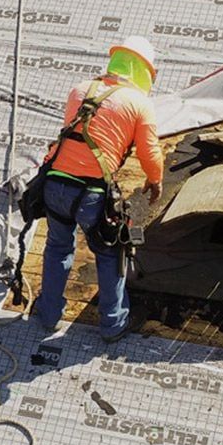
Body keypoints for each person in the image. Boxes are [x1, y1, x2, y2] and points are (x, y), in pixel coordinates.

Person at [31, 36, 165, 344]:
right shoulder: (138, 104)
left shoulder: (80, 89)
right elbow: (150, 154)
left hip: (55, 186)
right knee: (109, 253)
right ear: (145, 72)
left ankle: (49, 314)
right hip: (92, 194)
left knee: (57, 247)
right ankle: (113, 323)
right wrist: (155, 181)